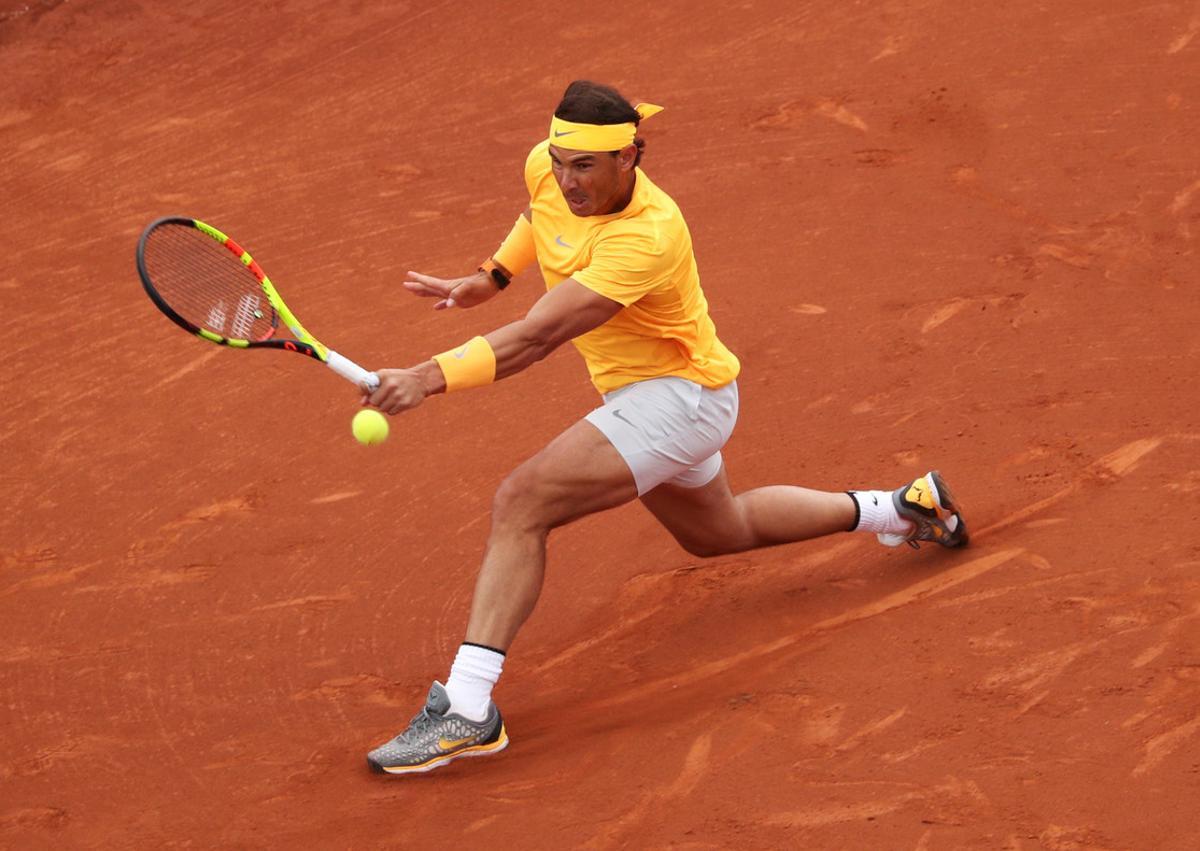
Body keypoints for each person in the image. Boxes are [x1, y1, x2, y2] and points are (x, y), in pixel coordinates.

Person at [362, 81, 967, 776]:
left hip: (677, 398)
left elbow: (537, 337)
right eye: (559, 161)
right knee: (720, 532)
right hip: (667, 396)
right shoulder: (550, 167)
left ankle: (468, 708)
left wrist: (425, 376)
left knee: (522, 502)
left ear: (632, 158)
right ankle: (899, 507)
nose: (566, 178)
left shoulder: (648, 235)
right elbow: (540, 215)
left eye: (585, 167)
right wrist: (491, 275)